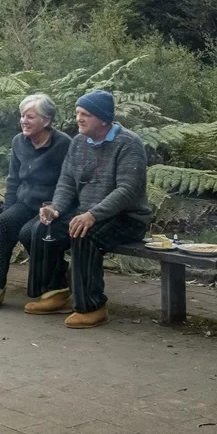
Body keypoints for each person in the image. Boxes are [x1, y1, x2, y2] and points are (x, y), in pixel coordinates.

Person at [26, 89, 153, 328]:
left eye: (86, 114)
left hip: (127, 218)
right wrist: (56, 210)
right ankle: (55, 294)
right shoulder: (78, 142)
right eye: (77, 113)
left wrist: (93, 215)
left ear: (104, 119)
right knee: (43, 229)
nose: (79, 119)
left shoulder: (128, 144)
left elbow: (127, 191)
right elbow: (66, 182)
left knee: (83, 234)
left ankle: (92, 306)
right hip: (87, 213)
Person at [0, 93, 72, 311]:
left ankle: (56, 289)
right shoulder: (19, 142)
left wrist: (56, 207)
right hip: (26, 203)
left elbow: (69, 183)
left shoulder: (63, 144)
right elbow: (13, 182)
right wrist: (5, 212)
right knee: (4, 223)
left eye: (30, 117)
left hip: (53, 206)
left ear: (46, 120)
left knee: (30, 232)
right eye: (22, 116)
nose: (24, 121)